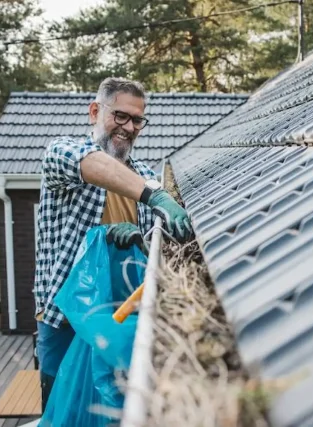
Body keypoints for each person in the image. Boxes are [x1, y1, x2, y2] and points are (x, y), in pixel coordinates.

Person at [33, 77, 193, 410]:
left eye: (137, 119)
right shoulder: (62, 155)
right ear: (95, 112)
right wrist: (155, 195)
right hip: (65, 322)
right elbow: (90, 162)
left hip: (120, 323)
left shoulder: (145, 175)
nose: (129, 127)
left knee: (109, 411)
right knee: (62, 411)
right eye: (119, 115)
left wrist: (145, 244)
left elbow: (153, 257)